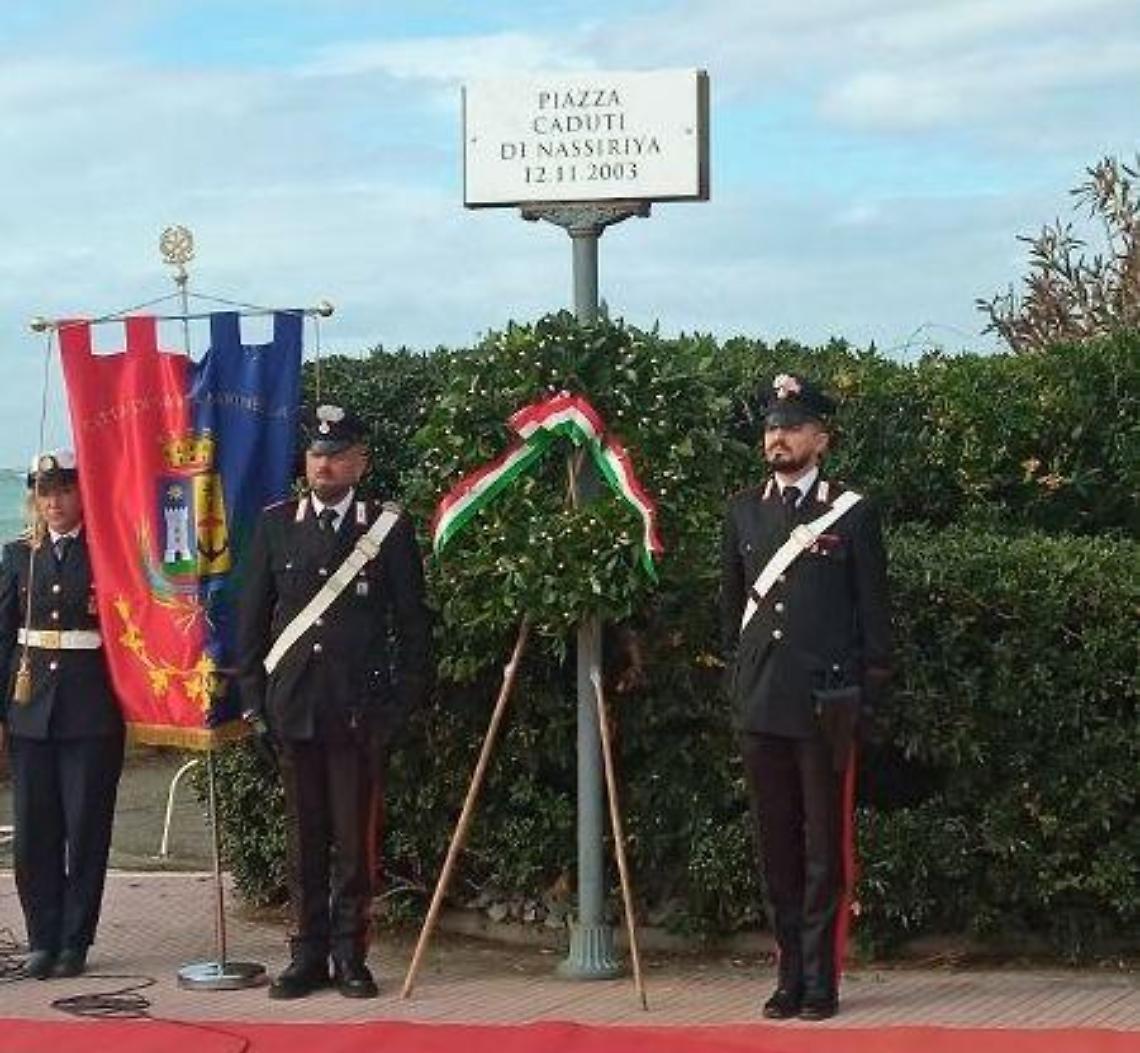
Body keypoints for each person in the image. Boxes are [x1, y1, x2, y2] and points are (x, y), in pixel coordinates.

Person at [237, 404, 430, 1000]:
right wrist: (253, 703)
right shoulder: (275, 526)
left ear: (359, 462)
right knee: (304, 840)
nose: (324, 464)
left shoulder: (386, 529)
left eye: (336, 454)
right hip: (294, 707)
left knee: (353, 843)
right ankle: (305, 956)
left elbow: (414, 628)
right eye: (316, 454)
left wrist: (398, 706)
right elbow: (250, 624)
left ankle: (351, 955)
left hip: (357, 711)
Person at [720, 373, 891, 1021]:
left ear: (820, 437)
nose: (778, 437)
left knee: (824, 848)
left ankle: (822, 977)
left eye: (791, 427)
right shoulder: (742, 511)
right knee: (777, 848)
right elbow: (730, 613)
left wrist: (866, 703)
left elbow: (874, 619)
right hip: (762, 704)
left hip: (826, 707)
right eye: (771, 427)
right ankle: (788, 972)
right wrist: (739, 690)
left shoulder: (852, 510)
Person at [0, 450, 125, 980]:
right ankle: (40, 939)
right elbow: (4, 637)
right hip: (32, 711)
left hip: (90, 709)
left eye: (64, 491)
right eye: (45, 493)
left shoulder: (107, 553)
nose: (53, 502)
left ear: (82, 493)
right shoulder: (17, 555)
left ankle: (75, 941)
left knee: (85, 829)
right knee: (34, 833)